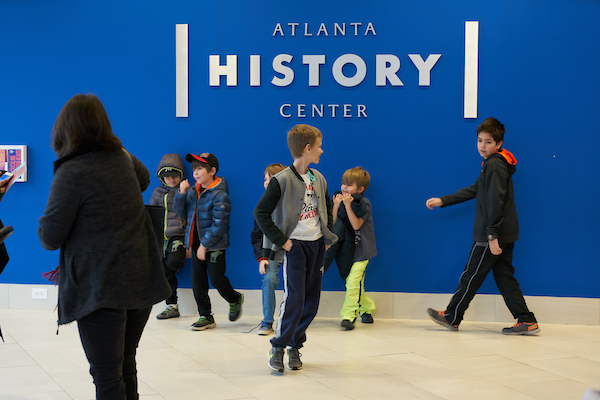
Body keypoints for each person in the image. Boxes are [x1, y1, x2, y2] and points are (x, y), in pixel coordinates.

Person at [38, 94, 171, 399]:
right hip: (141, 278)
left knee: (107, 375)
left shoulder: (72, 172)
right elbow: (144, 178)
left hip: (101, 286)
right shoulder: (122, 157)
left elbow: (50, 237)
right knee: (125, 365)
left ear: (65, 128)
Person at [425, 117, 540, 335]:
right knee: (504, 276)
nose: (482, 146)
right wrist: (444, 200)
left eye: (488, 142)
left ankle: (452, 316)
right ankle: (527, 320)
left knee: (471, 275)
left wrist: (491, 234)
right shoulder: (494, 164)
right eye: (479, 140)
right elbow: (475, 190)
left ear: (499, 144)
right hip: (503, 232)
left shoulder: (495, 164)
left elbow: (495, 201)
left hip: (493, 233)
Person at [254, 124, 338, 373]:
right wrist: (282, 241)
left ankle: (294, 346)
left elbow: (325, 211)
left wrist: (325, 236)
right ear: (307, 148)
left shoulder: (319, 178)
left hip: (317, 247)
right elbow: (260, 213)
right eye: (319, 146)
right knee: (294, 300)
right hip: (295, 248)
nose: (322, 151)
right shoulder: (282, 181)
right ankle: (278, 347)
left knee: (311, 302)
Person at [173, 152, 243, 331]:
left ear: (212, 171)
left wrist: (204, 245)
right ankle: (206, 316)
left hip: (214, 245)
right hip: (196, 244)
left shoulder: (220, 194)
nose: (195, 172)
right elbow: (180, 212)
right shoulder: (192, 191)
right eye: (194, 169)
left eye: (200, 168)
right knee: (198, 281)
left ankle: (234, 298)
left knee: (216, 279)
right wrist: (181, 194)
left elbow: (220, 225)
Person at [328, 167, 377, 331]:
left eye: (349, 185)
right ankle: (366, 308)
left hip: (363, 250)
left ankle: (348, 316)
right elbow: (332, 224)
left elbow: (356, 224)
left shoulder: (364, 204)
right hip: (348, 250)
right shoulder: (341, 200)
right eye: (343, 183)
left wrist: (348, 205)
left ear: (360, 189)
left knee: (352, 282)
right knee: (357, 284)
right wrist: (336, 205)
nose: (344, 187)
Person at [149, 154, 187, 319]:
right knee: (165, 272)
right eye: (167, 177)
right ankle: (172, 305)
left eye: (175, 176)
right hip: (160, 238)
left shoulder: (185, 191)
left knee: (172, 263)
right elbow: (151, 213)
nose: (171, 180)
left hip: (177, 236)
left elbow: (190, 214)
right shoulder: (157, 192)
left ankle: (173, 264)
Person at [251, 163, 287, 335]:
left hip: (289, 250)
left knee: (293, 283)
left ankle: (290, 319)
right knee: (269, 279)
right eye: (265, 179)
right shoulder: (262, 206)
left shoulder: (291, 204)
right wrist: (262, 258)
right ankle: (267, 321)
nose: (267, 182)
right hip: (269, 252)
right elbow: (256, 235)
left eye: (271, 179)